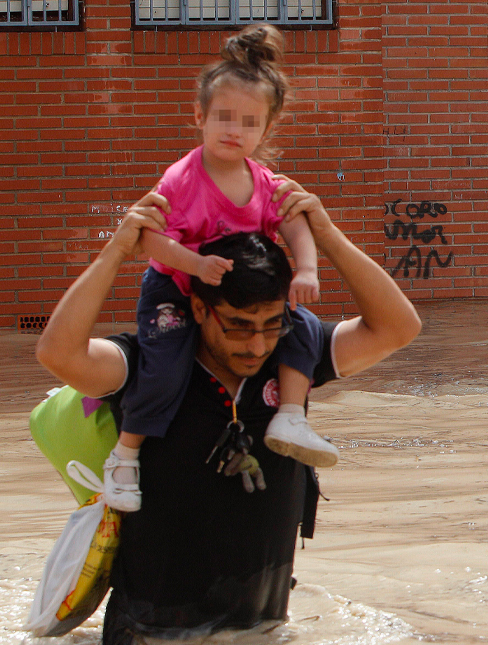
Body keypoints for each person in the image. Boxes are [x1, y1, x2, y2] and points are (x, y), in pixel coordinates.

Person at [34, 179, 422, 641]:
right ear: (198, 308)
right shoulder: (148, 368)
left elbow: (398, 327)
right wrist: (114, 253)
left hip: (261, 629)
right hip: (149, 634)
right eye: (238, 326)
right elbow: (59, 354)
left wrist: (326, 234)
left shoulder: (292, 364)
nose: (257, 345)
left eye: (271, 324)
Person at [105, 24, 334, 514]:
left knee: (306, 329)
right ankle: (125, 454)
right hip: (175, 285)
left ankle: (290, 416)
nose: (235, 130)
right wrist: (195, 263)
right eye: (224, 117)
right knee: (164, 365)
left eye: (250, 122)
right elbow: (149, 237)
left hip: (238, 298)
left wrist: (307, 270)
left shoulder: (265, 182)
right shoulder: (183, 179)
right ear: (200, 117)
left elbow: (295, 225)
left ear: (266, 129)